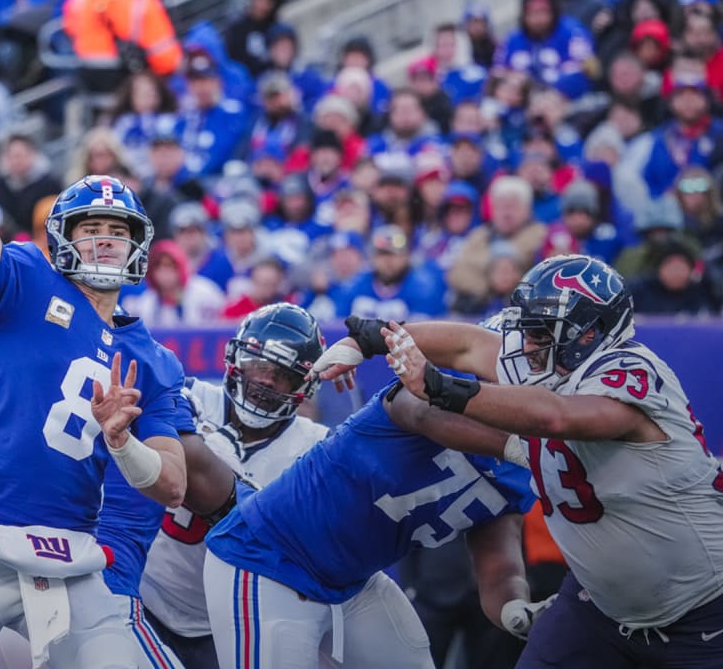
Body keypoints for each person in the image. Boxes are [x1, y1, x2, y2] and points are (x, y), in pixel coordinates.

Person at [0, 35, 187, 669]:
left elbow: (171, 483)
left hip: (68, 553)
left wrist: (124, 443)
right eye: (93, 229)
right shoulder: (28, 279)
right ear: (64, 239)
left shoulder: (150, 357)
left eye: (119, 232)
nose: (108, 242)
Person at [320, 254, 723, 668]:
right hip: (599, 608)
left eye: (542, 331)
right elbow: (465, 346)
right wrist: (368, 339)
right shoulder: (547, 366)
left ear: (592, 333)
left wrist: (442, 386)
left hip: (702, 608)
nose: (526, 344)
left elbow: (558, 416)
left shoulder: (631, 369)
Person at [193, 311, 543, 669]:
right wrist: (526, 448)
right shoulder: (430, 392)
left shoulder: (522, 470)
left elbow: (499, 560)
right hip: (268, 558)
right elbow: (421, 412)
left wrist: (515, 608)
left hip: (352, 580)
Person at [139, 304, 328, 668]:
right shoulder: (192, 398)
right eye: (260, 366)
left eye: (284, 375)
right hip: (149, 594)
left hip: (230, 622)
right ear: (235, 359)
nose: (267, 382)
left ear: (305, 386)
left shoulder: (315, 448)